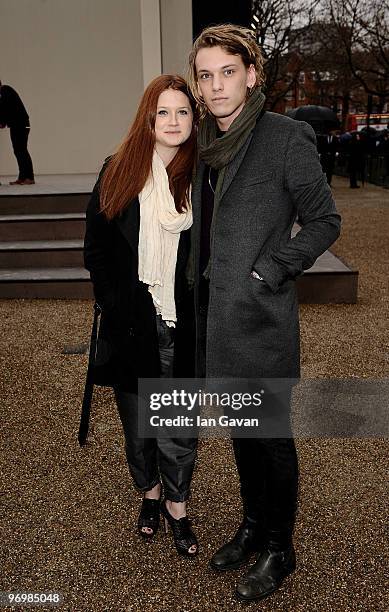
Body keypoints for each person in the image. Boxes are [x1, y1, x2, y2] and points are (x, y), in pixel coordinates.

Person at [187, 24, 341, 601]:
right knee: (241, 433)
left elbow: (325, 220)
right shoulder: (204, 143)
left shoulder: (283, 138)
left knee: (271, 437)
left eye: (228, 72)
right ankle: (253, 528)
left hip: (262, 316)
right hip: (217, 319)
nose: (217, 85)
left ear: (251, 76)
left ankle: (281, 546)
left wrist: (271, 269)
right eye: (206, 74)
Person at [84, 75, 198, 557]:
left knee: (179, 426)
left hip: (183, 321)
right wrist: (116, 304)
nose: (173, 122)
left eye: (183, 112)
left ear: (195, 119)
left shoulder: (206, 177)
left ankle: (177, 503)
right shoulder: (118, 171)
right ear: (148, 120)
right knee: (139, 426)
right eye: (163, 113)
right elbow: (97, 251)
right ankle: (149, 493)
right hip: (133, 321)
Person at [0, 80, 35, 185]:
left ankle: (29, 177)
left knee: (21, 150)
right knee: (18, 150)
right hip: (16, 125)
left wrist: (2, 122)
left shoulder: (6, 90)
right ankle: (22, 177)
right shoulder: (3, 93)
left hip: (22, 125)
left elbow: (5, 108)